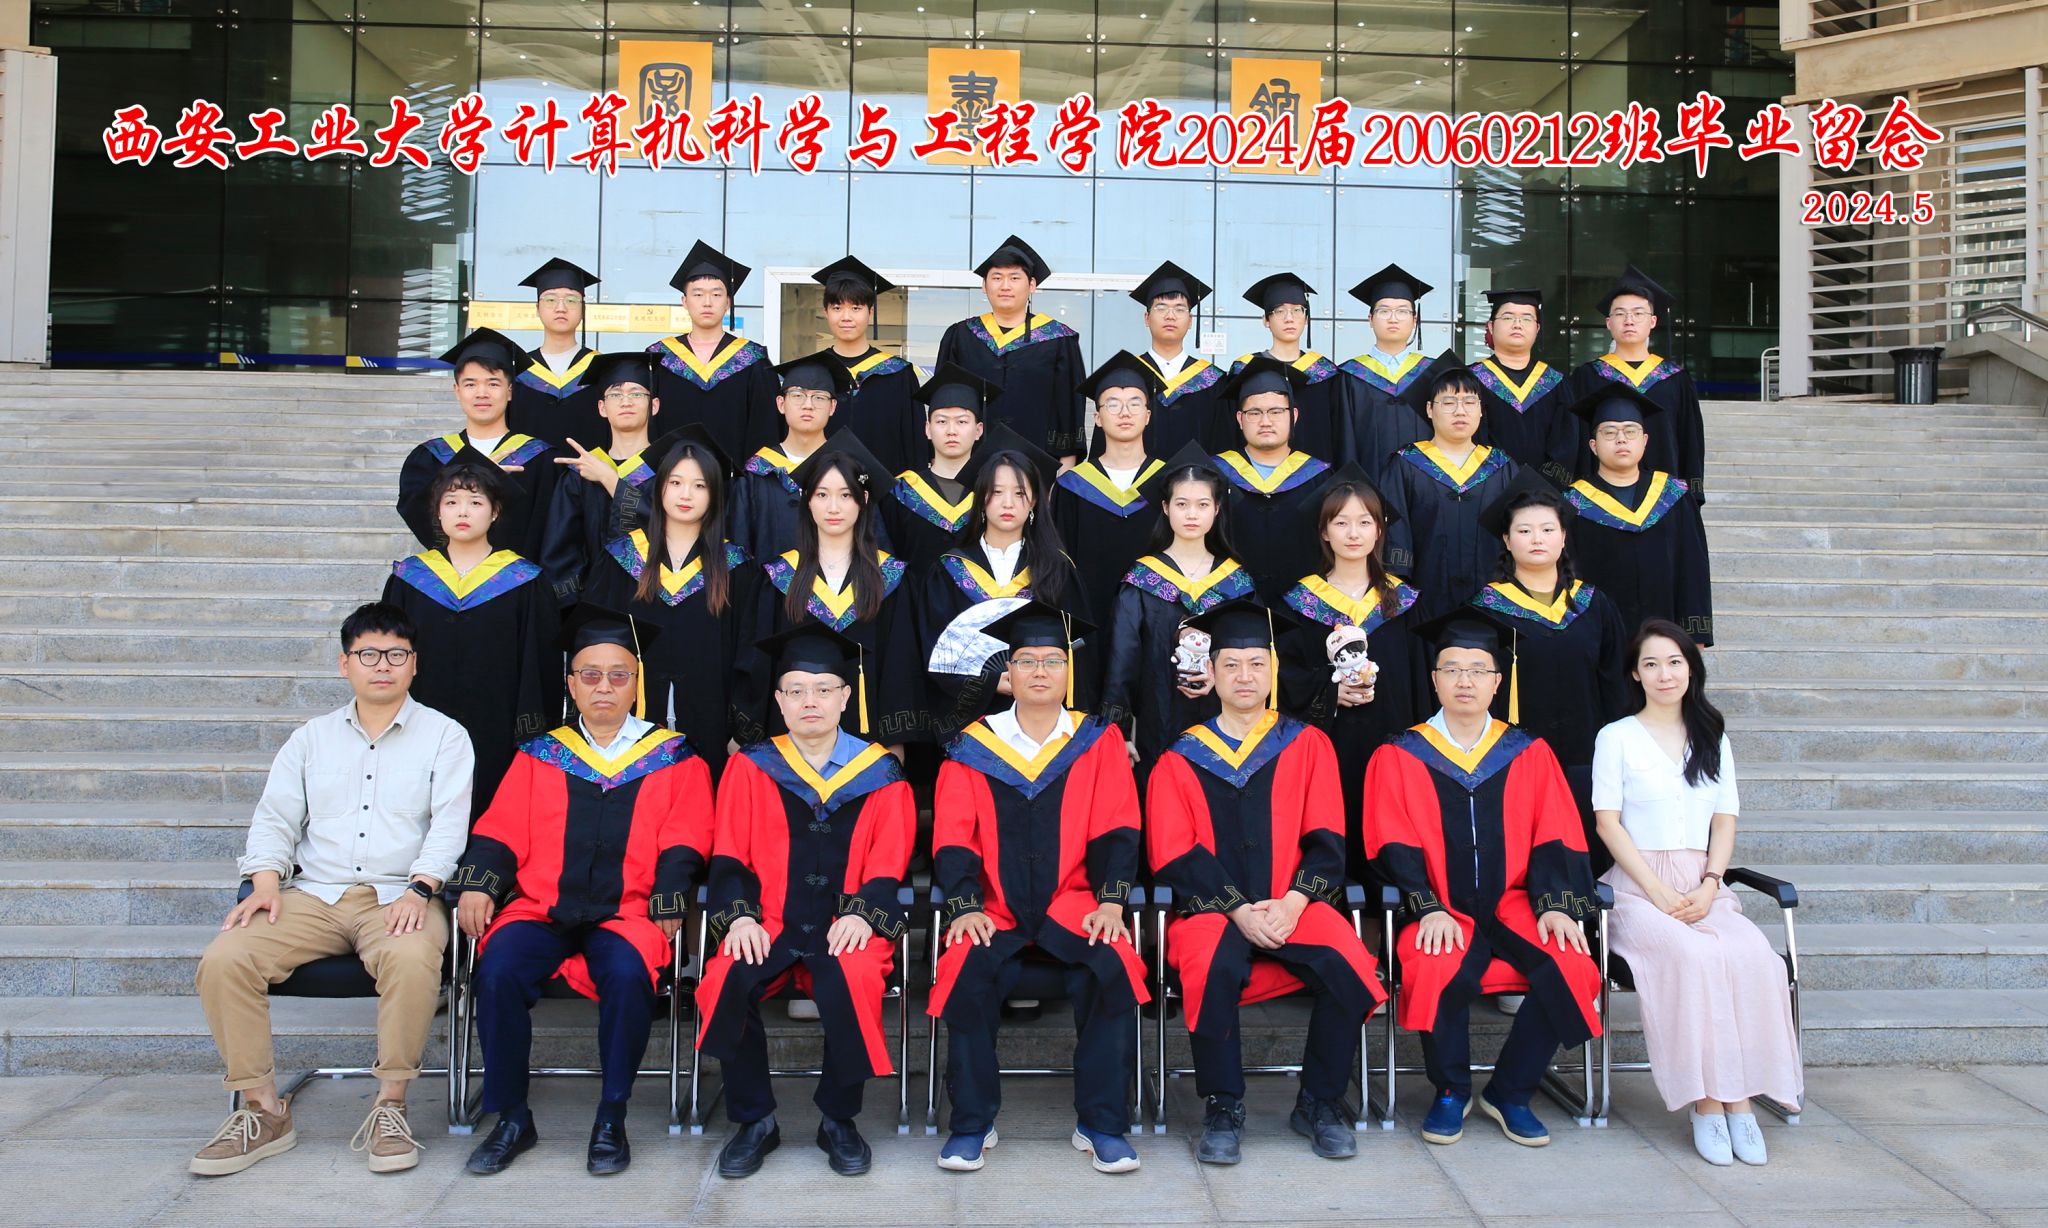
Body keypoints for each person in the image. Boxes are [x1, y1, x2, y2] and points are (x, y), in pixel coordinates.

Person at [189, 602, 471, 1178]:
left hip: (400, 895)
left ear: (415, 664)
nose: (382, 665)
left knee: (411, 958)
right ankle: (263, 1110)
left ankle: (390, 1106)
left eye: (396, 654)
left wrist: (421, 889)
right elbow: (275, 818)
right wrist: (264, 880)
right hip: (314, 895)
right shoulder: (310, 739)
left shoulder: (446, 736)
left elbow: (449, 827)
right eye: (368, 654)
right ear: (345, 664)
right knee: (225, 958)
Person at [452, 606, 713, 1177]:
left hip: (627, 912)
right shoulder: (540, 754)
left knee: (626, 974)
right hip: (540, 908)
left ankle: (611, 1115)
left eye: (619, 675)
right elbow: (501, 830)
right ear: (570, 684)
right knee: (497, 971)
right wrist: (479, 882)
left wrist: (671, 890)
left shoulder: (674, 757)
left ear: (636, 683)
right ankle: (512, 1117)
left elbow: (688, 835)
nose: (604, 686)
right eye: (590, 675)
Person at [1146, 600, 1387, 1164]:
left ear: (1273, 670)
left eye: (1257, 663)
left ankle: (1320, 1100)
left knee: (1350, 964)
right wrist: (1237, 909)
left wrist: (1295, 902)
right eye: (1231, 665)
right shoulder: (1180, 757)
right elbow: (1173, 850)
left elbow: (1328, 837)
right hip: (1212, 910)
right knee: (1211, 966)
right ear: (1212, 673)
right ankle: (1223, 1104)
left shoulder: (1307, 744)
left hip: (1294, 901)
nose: (1245, 676)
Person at [1362, 615, 1604, 1148]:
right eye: (1452, 669)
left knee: (1572, 964)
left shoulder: (1528, 752)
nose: (1465, 681)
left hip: (1518, 902)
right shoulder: (1399, 754)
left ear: (1498, 682)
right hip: (1442, 904)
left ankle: (1511, 1090)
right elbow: (1389, 839)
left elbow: (1557, 831)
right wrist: (1426, 905)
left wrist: (1556, 903)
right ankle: (1451, 1090)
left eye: (1478, 670)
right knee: (1432, 963)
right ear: (1435, 680)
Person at [928, 601, 1150, 1174]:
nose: (1040, 671)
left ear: (1069, 670)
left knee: (1112, 963)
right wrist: (963, 905)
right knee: (964, 968)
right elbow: (953, 836)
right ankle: (971, 1124)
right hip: (995, 909)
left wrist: (1111, 901)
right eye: (1026, 660)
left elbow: (1118, 826)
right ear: (1008, 672)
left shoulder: (1097, 739)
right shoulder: (971, 744)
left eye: (1053, 660)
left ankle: (1102, 1124)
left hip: (1073, 905)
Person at [697, 625, 917, 1179]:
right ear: (779, 701)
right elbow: (729, 855)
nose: (809, 701)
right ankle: (754, 1120)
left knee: (855, 977)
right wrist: (739, 918)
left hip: (846, 923)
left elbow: (890, 861)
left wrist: (863, 912)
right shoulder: (751, 766)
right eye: (796, 690)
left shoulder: (882, 773)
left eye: (823, 689)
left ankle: (838, 1119)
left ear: (846, 697)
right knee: (726, 975)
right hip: (770, 921)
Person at [1593, 621, 1801, 1167]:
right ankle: (1707, 1102)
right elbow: (1607, 823)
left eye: (1675, 663)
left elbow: (1725, 820)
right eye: (1651, 664)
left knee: (1754, 957)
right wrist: (1656, 889)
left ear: (1691, 669)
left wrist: (1711, 883)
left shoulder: (1713, 736)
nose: (1664, 674)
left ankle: (1742, 1100)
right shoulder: (1616, 736)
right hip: (1637, 886)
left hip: (1703, 882)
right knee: (1693, 957)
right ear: (1635, 675)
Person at [1468, 468, 1632, 859]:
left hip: (1587, 755)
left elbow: (1616, 684)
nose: (1537, 539)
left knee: (1587, 850)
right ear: (1507, 540)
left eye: (1547, 529)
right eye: (1524, 531)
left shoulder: (1594, 605)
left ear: (1563, 536)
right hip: (1510, 757)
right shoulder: (1485, 610)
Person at [1276, 464, 1429, 883]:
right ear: (1324, 531)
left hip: (1392, 734)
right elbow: (1284, 674)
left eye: (1364, 522)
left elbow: (1420, 678)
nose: (1353, 533)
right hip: (1329, 741)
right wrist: (1328, 692)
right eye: (1341, 522)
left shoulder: (1405, 602)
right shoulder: (1299, 603)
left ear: (1380, 530)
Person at [383, 459, 558, 816]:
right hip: (422, 715)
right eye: (451, 501)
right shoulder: (410, 579)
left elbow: (539, 663)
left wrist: (528, 728)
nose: (462, 511)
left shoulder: (524, 580)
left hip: (498, 720)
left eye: (476, 502)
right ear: (438, 512)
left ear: (495, 512)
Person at [584, 425, 757, 777]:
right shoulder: (622, 558)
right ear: (659, 486)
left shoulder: (736, 567)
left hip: (712, 718)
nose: (686, 494)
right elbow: (595, 641)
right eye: (676, 482)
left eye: (699, 485)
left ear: (715, 493)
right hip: (629, 718)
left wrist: (741, 730)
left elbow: (749, 654)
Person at [739, 436, 923, 751]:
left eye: (845, 495)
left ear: (863, 499)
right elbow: (757, 664)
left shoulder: (891, 578)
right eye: (822, 494)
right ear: (807, 500)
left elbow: (901, 667)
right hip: (788, 745)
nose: (833, 507)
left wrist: (895, 744)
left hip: (870, 745)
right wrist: (748, 734)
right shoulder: (778, 577)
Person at [1099, 442, 1257, 776]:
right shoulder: (1142, 579)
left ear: (1217, 509)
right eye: (1182, 504)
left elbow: (1254, 654)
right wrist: (1119, 732)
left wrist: (1221, 679)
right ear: (1166, 507)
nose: (1191, 514)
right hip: (1156, 722)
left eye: (1202, 504)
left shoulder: (1236, 581)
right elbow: (1122, 662)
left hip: (1226, 719)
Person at [922, 425, 1086, 739]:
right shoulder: (949, 570)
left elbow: (1078, 649)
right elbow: (935, 650)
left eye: (1019, 493)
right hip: (969, 724)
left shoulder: (1057, 568)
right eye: (997, 492)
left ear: (1034, 501)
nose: (1008, 503)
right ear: (981, 499)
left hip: (1045, 721)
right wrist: (990, 681)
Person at [1560, 383, 1714, 646]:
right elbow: (1566, 575)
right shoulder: (1572, 503)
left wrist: (1695, 635)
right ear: (1593, 445)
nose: (1621, 439)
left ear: (1644, 441)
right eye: (1610, 432)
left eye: (1630, 431)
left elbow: (1692, 567)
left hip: (1665, 638)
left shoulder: (1674, 496)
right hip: (1599, 638)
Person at [399, 327, 557, 562]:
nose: (482, 393)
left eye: (493, 384)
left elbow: (554, 531)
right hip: (454, 577)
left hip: (524, 578)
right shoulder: (430, 457)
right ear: (457, 391)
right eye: (470, 384)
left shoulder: (541, 459)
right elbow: (419, 517)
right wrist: (478, 474)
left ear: (510, 391)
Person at [936, 234, 1085, 464]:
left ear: (1032, 285)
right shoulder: (961, 336)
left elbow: (1068, 407)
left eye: (1014, 278)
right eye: (997, 278)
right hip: (971, 464)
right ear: (984, 286)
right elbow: (944, 402)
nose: (1005, 286)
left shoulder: (1058, 340)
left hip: (1038, 464)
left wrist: (1064, 468)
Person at [1384, 365, 1519, 620]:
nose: (1460, 411)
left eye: (1469, 402)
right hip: (1424, 600)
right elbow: (1395, 534)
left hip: (1493, 599)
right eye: (1448, 402)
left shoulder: (1501, 466)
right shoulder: (1405, 464)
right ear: (1429, 409)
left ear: (1481, 410)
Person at [1563, 265, 1706, 500]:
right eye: (1620, 314)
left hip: (1664, 496)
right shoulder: (1587, 376)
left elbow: (1690, 441)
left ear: (1653, 321)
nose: (1629, 321)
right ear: (1609, 323)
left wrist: (1692, 493)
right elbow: (1574, 440)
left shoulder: (1676, 379)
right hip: (1600, 497)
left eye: (1638, 313)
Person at [1052, 354, 1170, 634]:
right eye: (1113, 404)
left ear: (1147, 416)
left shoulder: (1169, 481)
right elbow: (1059, 560)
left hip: (1157, 620)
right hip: (1087, 619)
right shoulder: (1072, 486)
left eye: (1135, 403)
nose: (1124, 413)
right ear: (1097, 418)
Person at [539, 350, 661, 608]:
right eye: (615, 394)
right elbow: (560, 553)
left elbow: (676, 532)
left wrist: (610, 480)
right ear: (602, 408)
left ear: (654, 406)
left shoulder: (671, 470)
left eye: (637, 393)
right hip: (594, 607)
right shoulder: (581, 474)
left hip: (660, 599)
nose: (626, 401)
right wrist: (586, 605)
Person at [1210, 355, 1333, 600]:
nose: (1265, 421)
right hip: (1231, 604)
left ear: (1293, 416)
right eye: (1254, 412)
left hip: (1301, 606)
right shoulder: (1214, 474)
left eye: (1276, 411)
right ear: (1240, 419)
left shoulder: (1319, 477)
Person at [646, 240, 779, 461]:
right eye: (698, 294)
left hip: (735, 478)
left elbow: (765, 427)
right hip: (672, 475)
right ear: (684, 301)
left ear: (728, 302)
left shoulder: (752, 359)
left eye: (716, 295)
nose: (707, 303)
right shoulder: (659, 357)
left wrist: (749, 479)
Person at [728, 352, 853, 561]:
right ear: (780, 404)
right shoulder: (757, 473)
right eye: (797, 395)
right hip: (769, 581)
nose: (808, 405)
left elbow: (870, 541)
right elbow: (739, 546)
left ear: (832, 407)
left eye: (819, 397)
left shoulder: (850, 469)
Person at [1334, 264, 1454, 480]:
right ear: (1370, 319)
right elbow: (1345, 440)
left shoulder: (1434, 372)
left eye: (1402, 311)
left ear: (1414, 320)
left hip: (1426, 483)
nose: (1393, 318)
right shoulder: (1349, 375)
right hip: (1368, 483)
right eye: (1384, 311)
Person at [813, 255, 923, 479]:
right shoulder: (813, 371)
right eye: (837, 307)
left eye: (856, 308)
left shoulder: (898, 374)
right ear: (825, 312)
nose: (846, 317)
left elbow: (914, 444)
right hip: (824, 490)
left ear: (870, 312)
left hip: (886, 492)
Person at [882, 362, 992, 575]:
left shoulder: (993, 491)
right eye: (941, 422)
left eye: (962, 422)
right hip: (914, 596)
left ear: (978, 430)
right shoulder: (901, 492)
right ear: (928, 429)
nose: (951, 431)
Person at [1469, 288, 1573, 486]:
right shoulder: (1470, 379)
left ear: (1537, 328)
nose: (1517, 324)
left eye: (1526, 318)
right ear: (1491, 326)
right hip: (1487, 489)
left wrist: (1541, 488)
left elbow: (1566, 445)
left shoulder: (1556, 383)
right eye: (1508, 317)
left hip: (1543, 493)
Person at [1228, 272, 1338, 459]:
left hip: (1314, 469)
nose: (1289, 318)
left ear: (1306, 318)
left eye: (1297, 310)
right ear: (1266, 320)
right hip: (1254, 470)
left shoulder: (1325, 373)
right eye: (1279, 311)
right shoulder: (1244, 369)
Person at [1127, 261, 1226, 456]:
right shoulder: (1129, 374)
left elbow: (1224, 445)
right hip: (1137, 476)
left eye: (1180, 309)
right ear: (1147, 318)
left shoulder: (1213, 380)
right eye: (1161, 308)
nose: (1170, 316)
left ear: (1190, 321)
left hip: (1198, 475)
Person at [507, 257, 606, 450]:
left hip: (588, 469)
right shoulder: (518, 370)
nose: (561, 308)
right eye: (550, 299)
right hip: (526, 468)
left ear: (583, 310)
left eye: (571, 300)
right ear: (537, 309)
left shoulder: (601, 368)